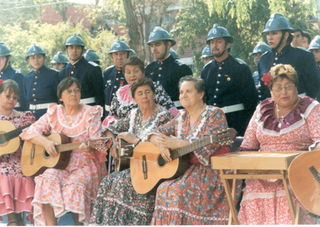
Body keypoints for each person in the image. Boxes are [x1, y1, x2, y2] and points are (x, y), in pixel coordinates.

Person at [147, 75, 240, 225]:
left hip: (210, 172)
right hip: (184, 170)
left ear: (201, 94)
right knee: (163, 188)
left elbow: (209, 148)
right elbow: (154, 133)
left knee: (176, 191)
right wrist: (161, 144)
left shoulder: (214, 114)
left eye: (188, 91)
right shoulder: (181, 116)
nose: (183, 95)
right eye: (181, 92)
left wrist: (179, 144)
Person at [237, 64, 320, 225]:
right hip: (262, 175)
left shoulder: (310, 107)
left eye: (288, 86)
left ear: (296, 87)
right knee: (252, 188)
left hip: (297, 175)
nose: (284, 92)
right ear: (270, 90)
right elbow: (248, 145)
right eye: (278, 87)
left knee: (285, 191)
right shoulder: (262, 109)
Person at [20, 77, 107, 226]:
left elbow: (100, 142)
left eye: (76, 90)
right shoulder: (55, 113)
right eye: (69, 91)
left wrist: (90, 147)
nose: (73, 94)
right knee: (45, 180)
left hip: (84, 164)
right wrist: (46, 142)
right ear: (61, 97)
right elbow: (30, 131)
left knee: (75, 186)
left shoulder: (90, 113)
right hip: (60, 164)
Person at [90, 78, 173, 225]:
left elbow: (160, 147)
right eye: (140, 93)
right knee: (107, 181)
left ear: (154, 95)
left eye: (148, 92)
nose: (144, 96)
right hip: (133, 166)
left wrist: (134, 140)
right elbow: (112, 129)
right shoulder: (134, 114)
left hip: (152, 168)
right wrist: (114, 142)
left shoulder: (164, 116)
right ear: (134, 98)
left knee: (121, 181)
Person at [201, 24, 258, 136]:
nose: (215, 45)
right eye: (212, 42)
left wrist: (247, 128)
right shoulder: (206, 70)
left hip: (237, 123)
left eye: (219, 41)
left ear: (228, 44)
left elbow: (250, 103)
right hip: (213, 125)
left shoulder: (240, 68)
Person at [257, 13, 320, 101]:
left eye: (274, 33)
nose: (269, 38)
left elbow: (314, 87)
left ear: (286, 35)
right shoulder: (263, 60)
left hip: (298, 109)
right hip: (272, 111)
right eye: (268, 34)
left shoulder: (303, 56)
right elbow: (262, 92)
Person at [103, 57, 178, 128]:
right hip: (123, 133)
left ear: (143, 72)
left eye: (136, 71)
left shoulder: (154, 88)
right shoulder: (120, 93)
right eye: (128, 72)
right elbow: (112, 116)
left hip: (151, 131)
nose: (132, 75)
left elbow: (169, 110)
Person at [0, 79, 35, 226]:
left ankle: (16, 220)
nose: (11, 100)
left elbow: (35, 137)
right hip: (2, 163)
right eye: (8, 96)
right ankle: (14, 220)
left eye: (15, 97)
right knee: (4, 172)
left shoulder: (23, 118)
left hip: (18, 161)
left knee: (21, 172)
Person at [145, 26, 192, 108]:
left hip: (176, 114)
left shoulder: (181, 68)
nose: (154, 49)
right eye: (152, 46)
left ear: (168, 44)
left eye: (157, 44)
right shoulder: (149, 69)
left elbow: (189, 98)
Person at [60, 33, 104, 109]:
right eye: (71, 47)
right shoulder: (63, 72)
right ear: (66, 50)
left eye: (77, 48)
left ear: (83, 50)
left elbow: (100, 96)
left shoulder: (92, 69)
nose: (74, 50)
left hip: (89, 111)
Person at [23, 44, 60, 120]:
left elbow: (60, 98)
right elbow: (26, 101)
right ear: (28, 61)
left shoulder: (53, 75)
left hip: (50, 116)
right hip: (31, 117)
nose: (36, 60)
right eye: (33, 58)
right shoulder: (27, 78)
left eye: (39, 57)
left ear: (44, 58)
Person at [103, 39, 132, 116]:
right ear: (111, 57)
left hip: (126, 116)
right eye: (116, 54)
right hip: (108, 115)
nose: (119, 58)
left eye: (122, 54)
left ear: (128, 55)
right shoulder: (107, 72)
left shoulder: (132, 72)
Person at [0, 43, 27, 111]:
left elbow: (24, 102)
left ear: (8, 58)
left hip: (14, 114)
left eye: (2, 58)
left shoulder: (17, 76)